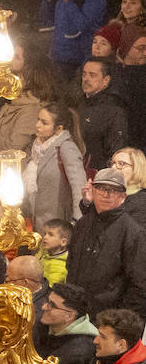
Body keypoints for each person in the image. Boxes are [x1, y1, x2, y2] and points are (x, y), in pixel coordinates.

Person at [64, 167, 146, 319]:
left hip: (108, 320)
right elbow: (71, 265)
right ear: (92, 191)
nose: (106, 194)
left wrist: (117, 321)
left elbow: (140, 286)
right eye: (101, 188)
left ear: (123, 196)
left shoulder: (132, 232)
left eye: (114, 190)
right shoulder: (82, 224)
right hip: (76, 313)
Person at [32, 283, 101, 364]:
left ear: (69, 316)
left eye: (52, 305)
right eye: (47, 301)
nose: (43, 307)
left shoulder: (81, 352)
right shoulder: (43, 327)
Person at [21, 101, 87, 230]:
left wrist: (77, 223)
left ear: (59, 129)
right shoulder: (35, 148)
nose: (37, 125)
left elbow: (79, 187)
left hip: (57, 227)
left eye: (44, 123)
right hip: (36, 223)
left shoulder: (67, 148)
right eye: (38, 120)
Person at [41, 0, 106, 80]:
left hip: (78, 60)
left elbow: (83, 25)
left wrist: (67, 0)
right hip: (57, 56)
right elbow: (45, 20)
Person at [79, 58, 128, 172]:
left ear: (106, 80)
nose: (86, 79)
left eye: (92, 75)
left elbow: (117, 151)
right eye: (84, 74)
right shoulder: (77, 104)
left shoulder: (115, 111)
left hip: (98, 175)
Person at [37, 218, 72, 286]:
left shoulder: (61, 267)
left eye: (51, 234)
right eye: (45, 233)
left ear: (63, 242)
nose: (45, 237)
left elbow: (50, 289)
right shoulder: (45, 253)